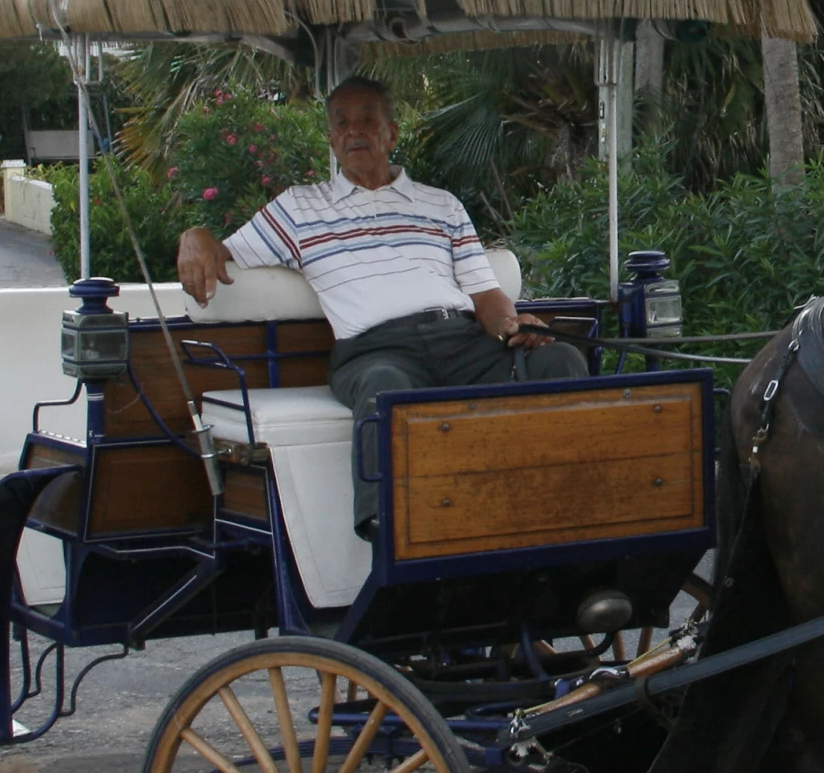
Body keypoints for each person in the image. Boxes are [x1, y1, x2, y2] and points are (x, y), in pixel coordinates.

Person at [176, 75, 588, 538]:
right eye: (342, 123)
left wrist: (515, 324)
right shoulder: (298, 209)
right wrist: (194, 238)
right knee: (385, 388)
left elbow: (486, 297)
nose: (354, 132)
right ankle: (388, 537)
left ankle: (567, 512)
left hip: (461, 340)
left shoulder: (442, 206)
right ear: (331, 139)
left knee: (561, 358)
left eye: (367, 121)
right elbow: (222, 248)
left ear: (391, 133)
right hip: (374, 350)